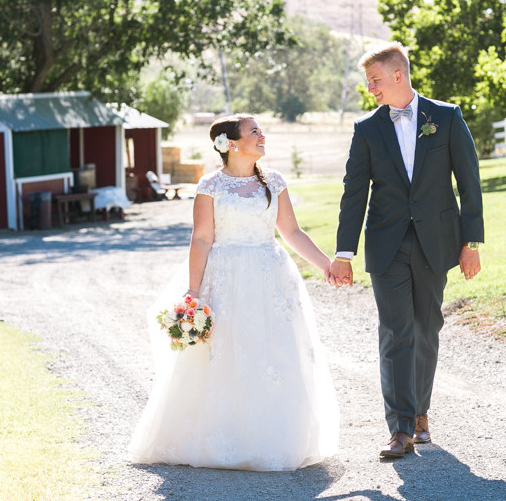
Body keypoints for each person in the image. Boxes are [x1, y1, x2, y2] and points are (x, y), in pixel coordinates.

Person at [128, 114, 340, 471]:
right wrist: (193, 291)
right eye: (254, 131)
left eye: (260, 130)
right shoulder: (210, 185)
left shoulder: (274, 181)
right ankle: (215, 439)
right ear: (231, 143)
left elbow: (291, 232)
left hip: (269, 275)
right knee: (224, 355)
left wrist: (326, 265)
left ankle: (274, 437)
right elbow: (202, 238)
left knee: (275, 353)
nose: (262, 136)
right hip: (224, 278)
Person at [330, 42, 484, 459]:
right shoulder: (366, 129)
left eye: (375, 80)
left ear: (398, 75)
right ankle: (399, 428)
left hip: (437, 241)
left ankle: (420, 414)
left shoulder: (447, 118)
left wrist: (471, 243)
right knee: (396, 332)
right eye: (368, 83)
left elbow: (469, 183)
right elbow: (353, 192)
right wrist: (344, 251)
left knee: (426, 328)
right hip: (386, 244)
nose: (371, 90)